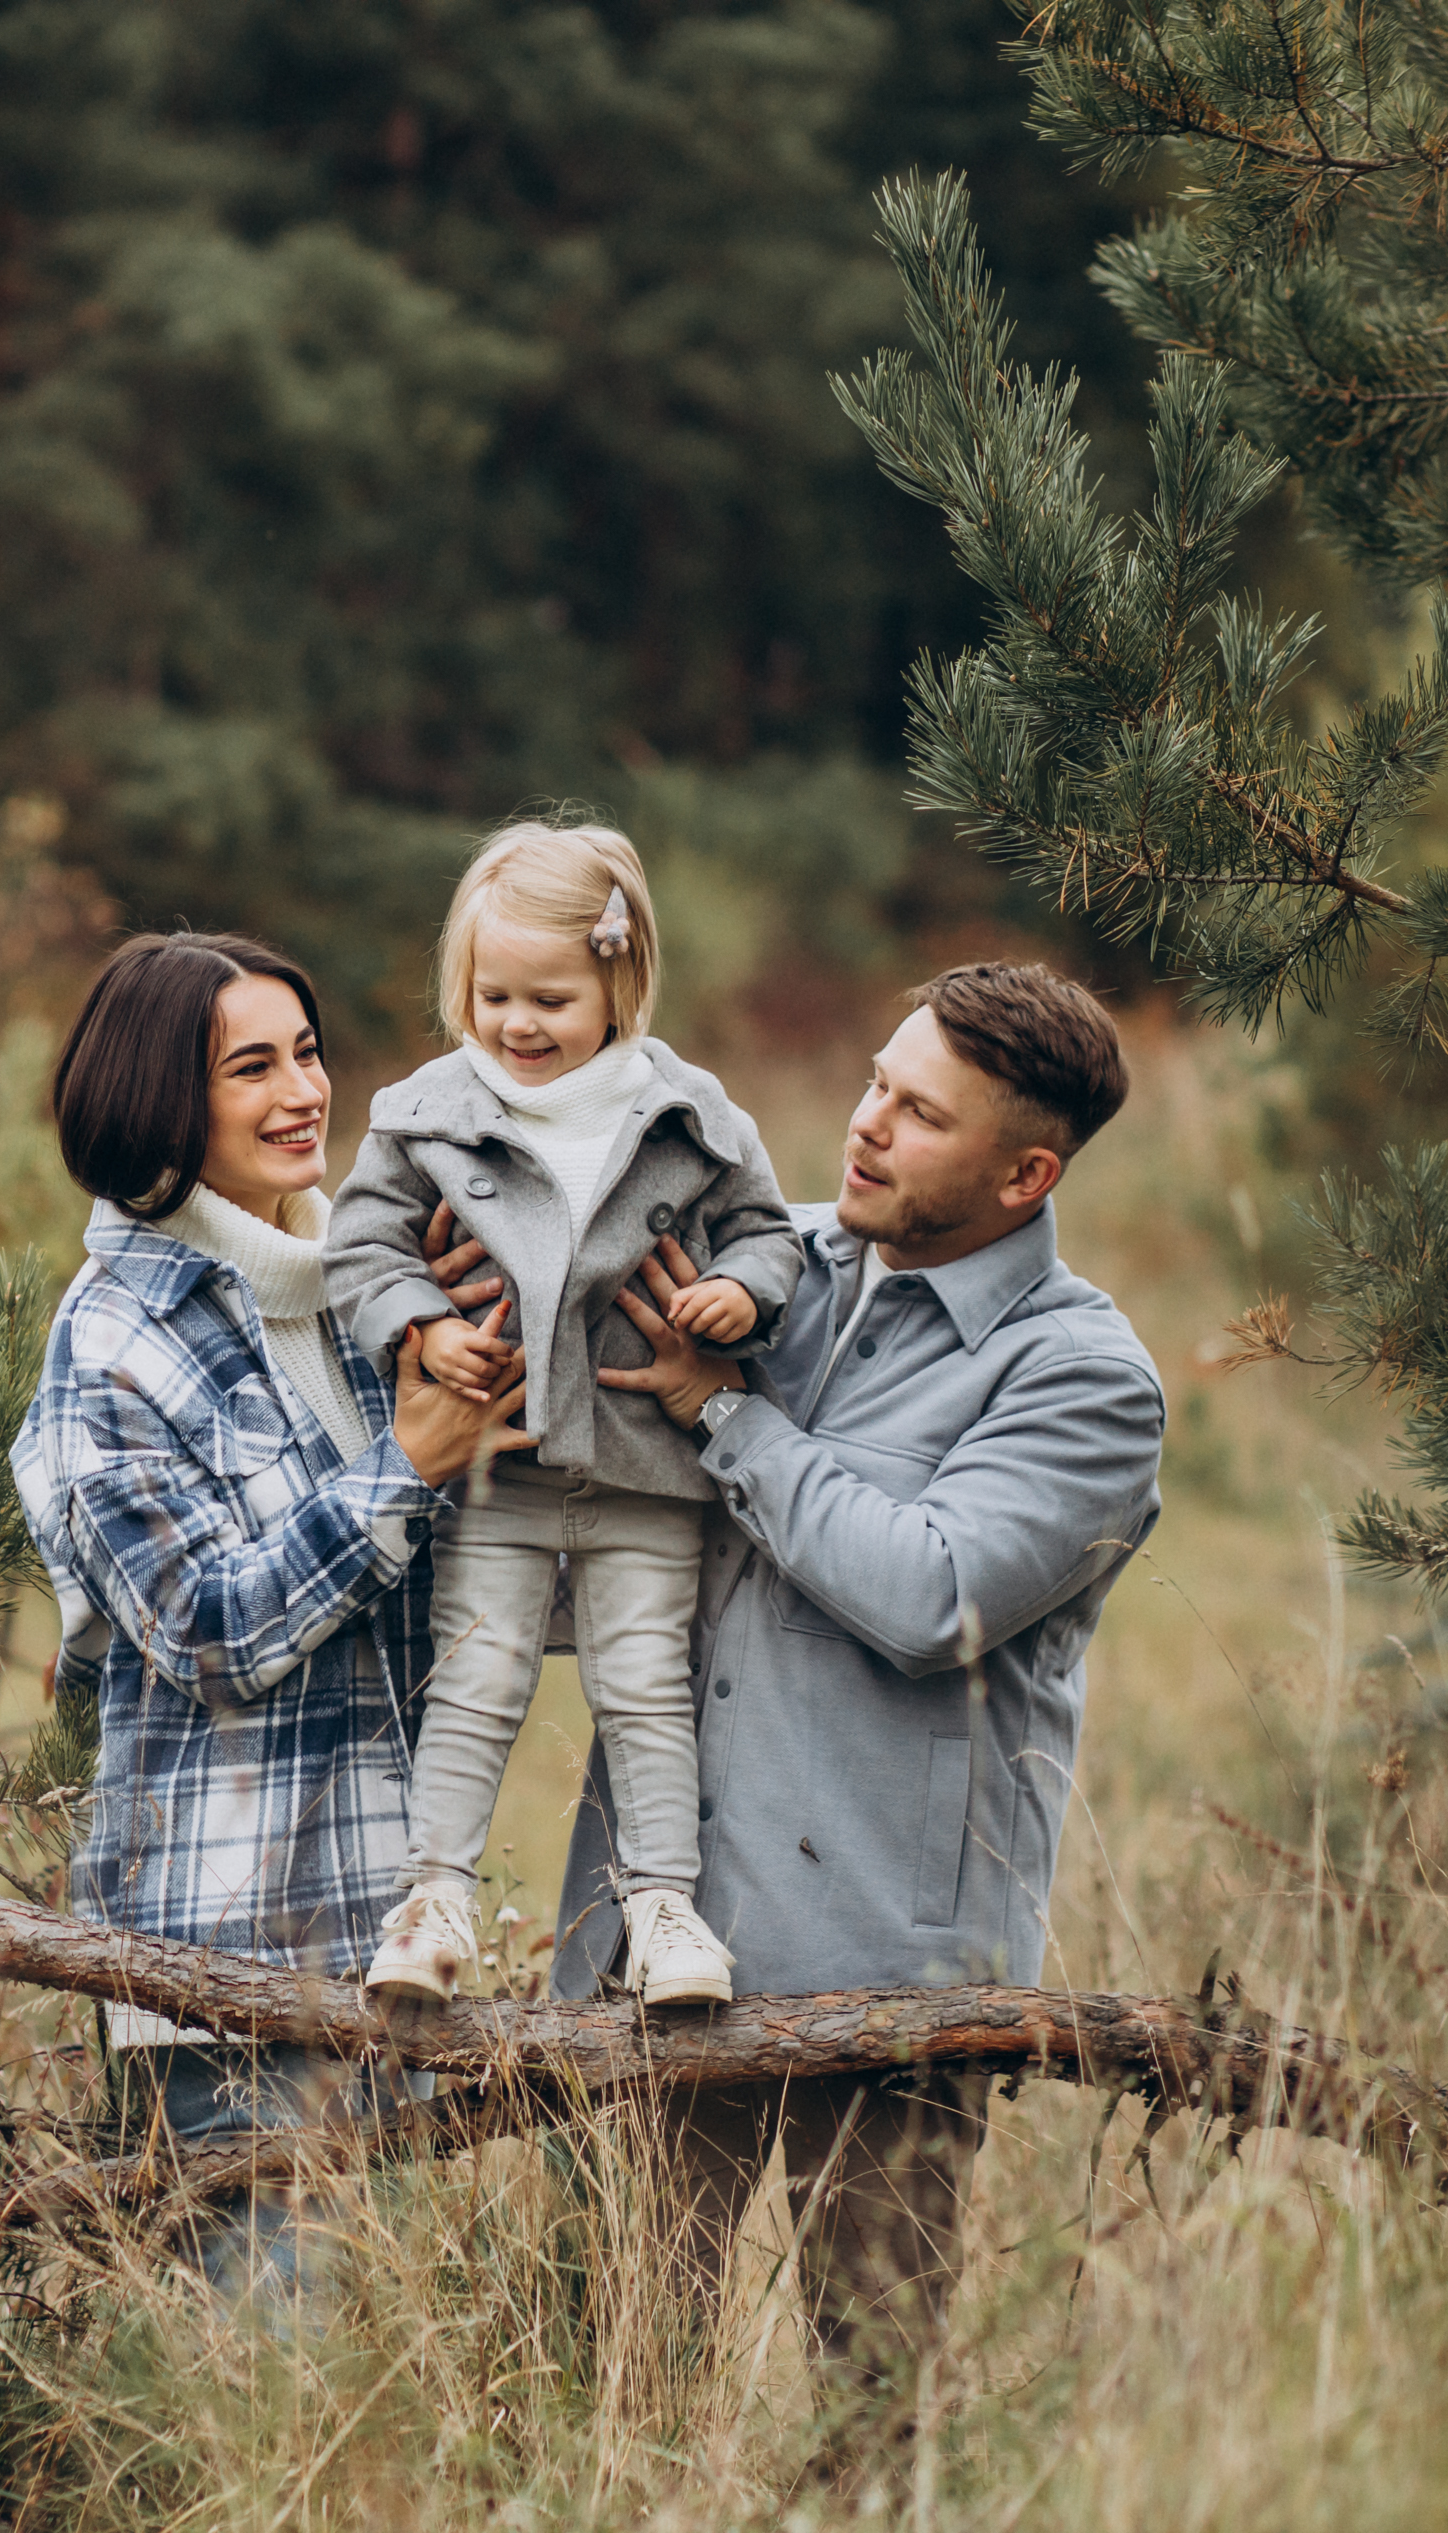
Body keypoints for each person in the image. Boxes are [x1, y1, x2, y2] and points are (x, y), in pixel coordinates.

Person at [554, 961, 1164, 2423]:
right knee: (599, 2391)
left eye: (922, 1113)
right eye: (878, 1082)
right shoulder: (758, 1274)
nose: (868, 1122)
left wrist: (726, 1417)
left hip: (886, 1977)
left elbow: (928, 1595)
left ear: (1024, 1175)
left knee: (872, 2414)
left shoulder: (1083, 1378)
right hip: (654, 1936)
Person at [8, 929, 531, 2291]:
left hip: (385, 1942)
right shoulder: (112, 1341)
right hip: (224, 1973)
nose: (303, 1091)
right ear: (159, 1100)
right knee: (271, 2378)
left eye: (306, 1052)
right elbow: (206, 1631)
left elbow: (433, 1585)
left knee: (381, 2379)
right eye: (251, 1068)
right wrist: (407, 1462)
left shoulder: (355, 1298)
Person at [323, 820, 801, 2008]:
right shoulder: (427, 1112)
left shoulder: (686, 1113)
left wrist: (739, 1292)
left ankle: (662, 1909)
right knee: (474, 1674)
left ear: (618, 984)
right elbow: (363, 1244)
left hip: (644, 1466)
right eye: (492, 996)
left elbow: (767, 1231)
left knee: (644, 1686)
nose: (517, 1026)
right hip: (499, 1460)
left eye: (550, 999)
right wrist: (420, 1325)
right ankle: (434, 1898)